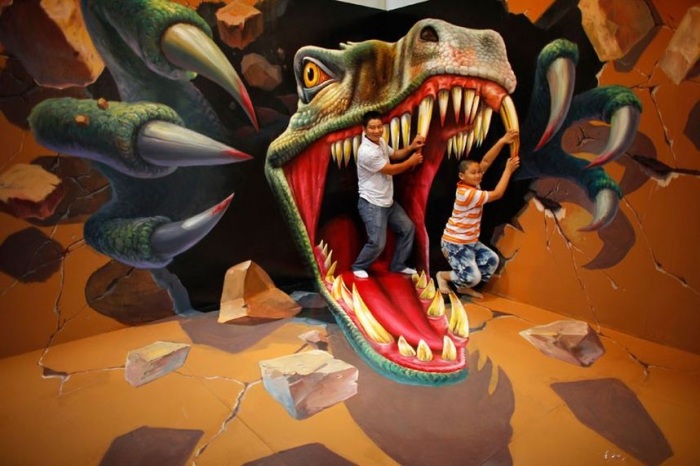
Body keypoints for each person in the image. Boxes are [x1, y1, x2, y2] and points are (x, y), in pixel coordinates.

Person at [436, 129, 520, 298]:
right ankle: (443, 276)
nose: (478, 175)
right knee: (473, 277)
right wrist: (508, 170)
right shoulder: (467, 193)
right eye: (473, 173)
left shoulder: (473, 185)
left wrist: (502, 141)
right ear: (462, 176)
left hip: (469, 241)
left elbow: (486, 161)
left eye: (479, 172)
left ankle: (463, 286)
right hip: (455, 243)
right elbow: (497, 194)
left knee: (491, 260)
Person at [351, 110, 425, 279]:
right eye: (372, 127)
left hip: (387, 201)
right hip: (372, 203)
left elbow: (395, 155)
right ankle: (358, 266)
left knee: (407, 228)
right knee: (377, 243)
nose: (377, 130)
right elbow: (390, 169)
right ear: (364, 129)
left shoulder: (381, 142)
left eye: (379, 126)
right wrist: (411, 161)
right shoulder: (366, 152)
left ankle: (398, 265)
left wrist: (411, 147)